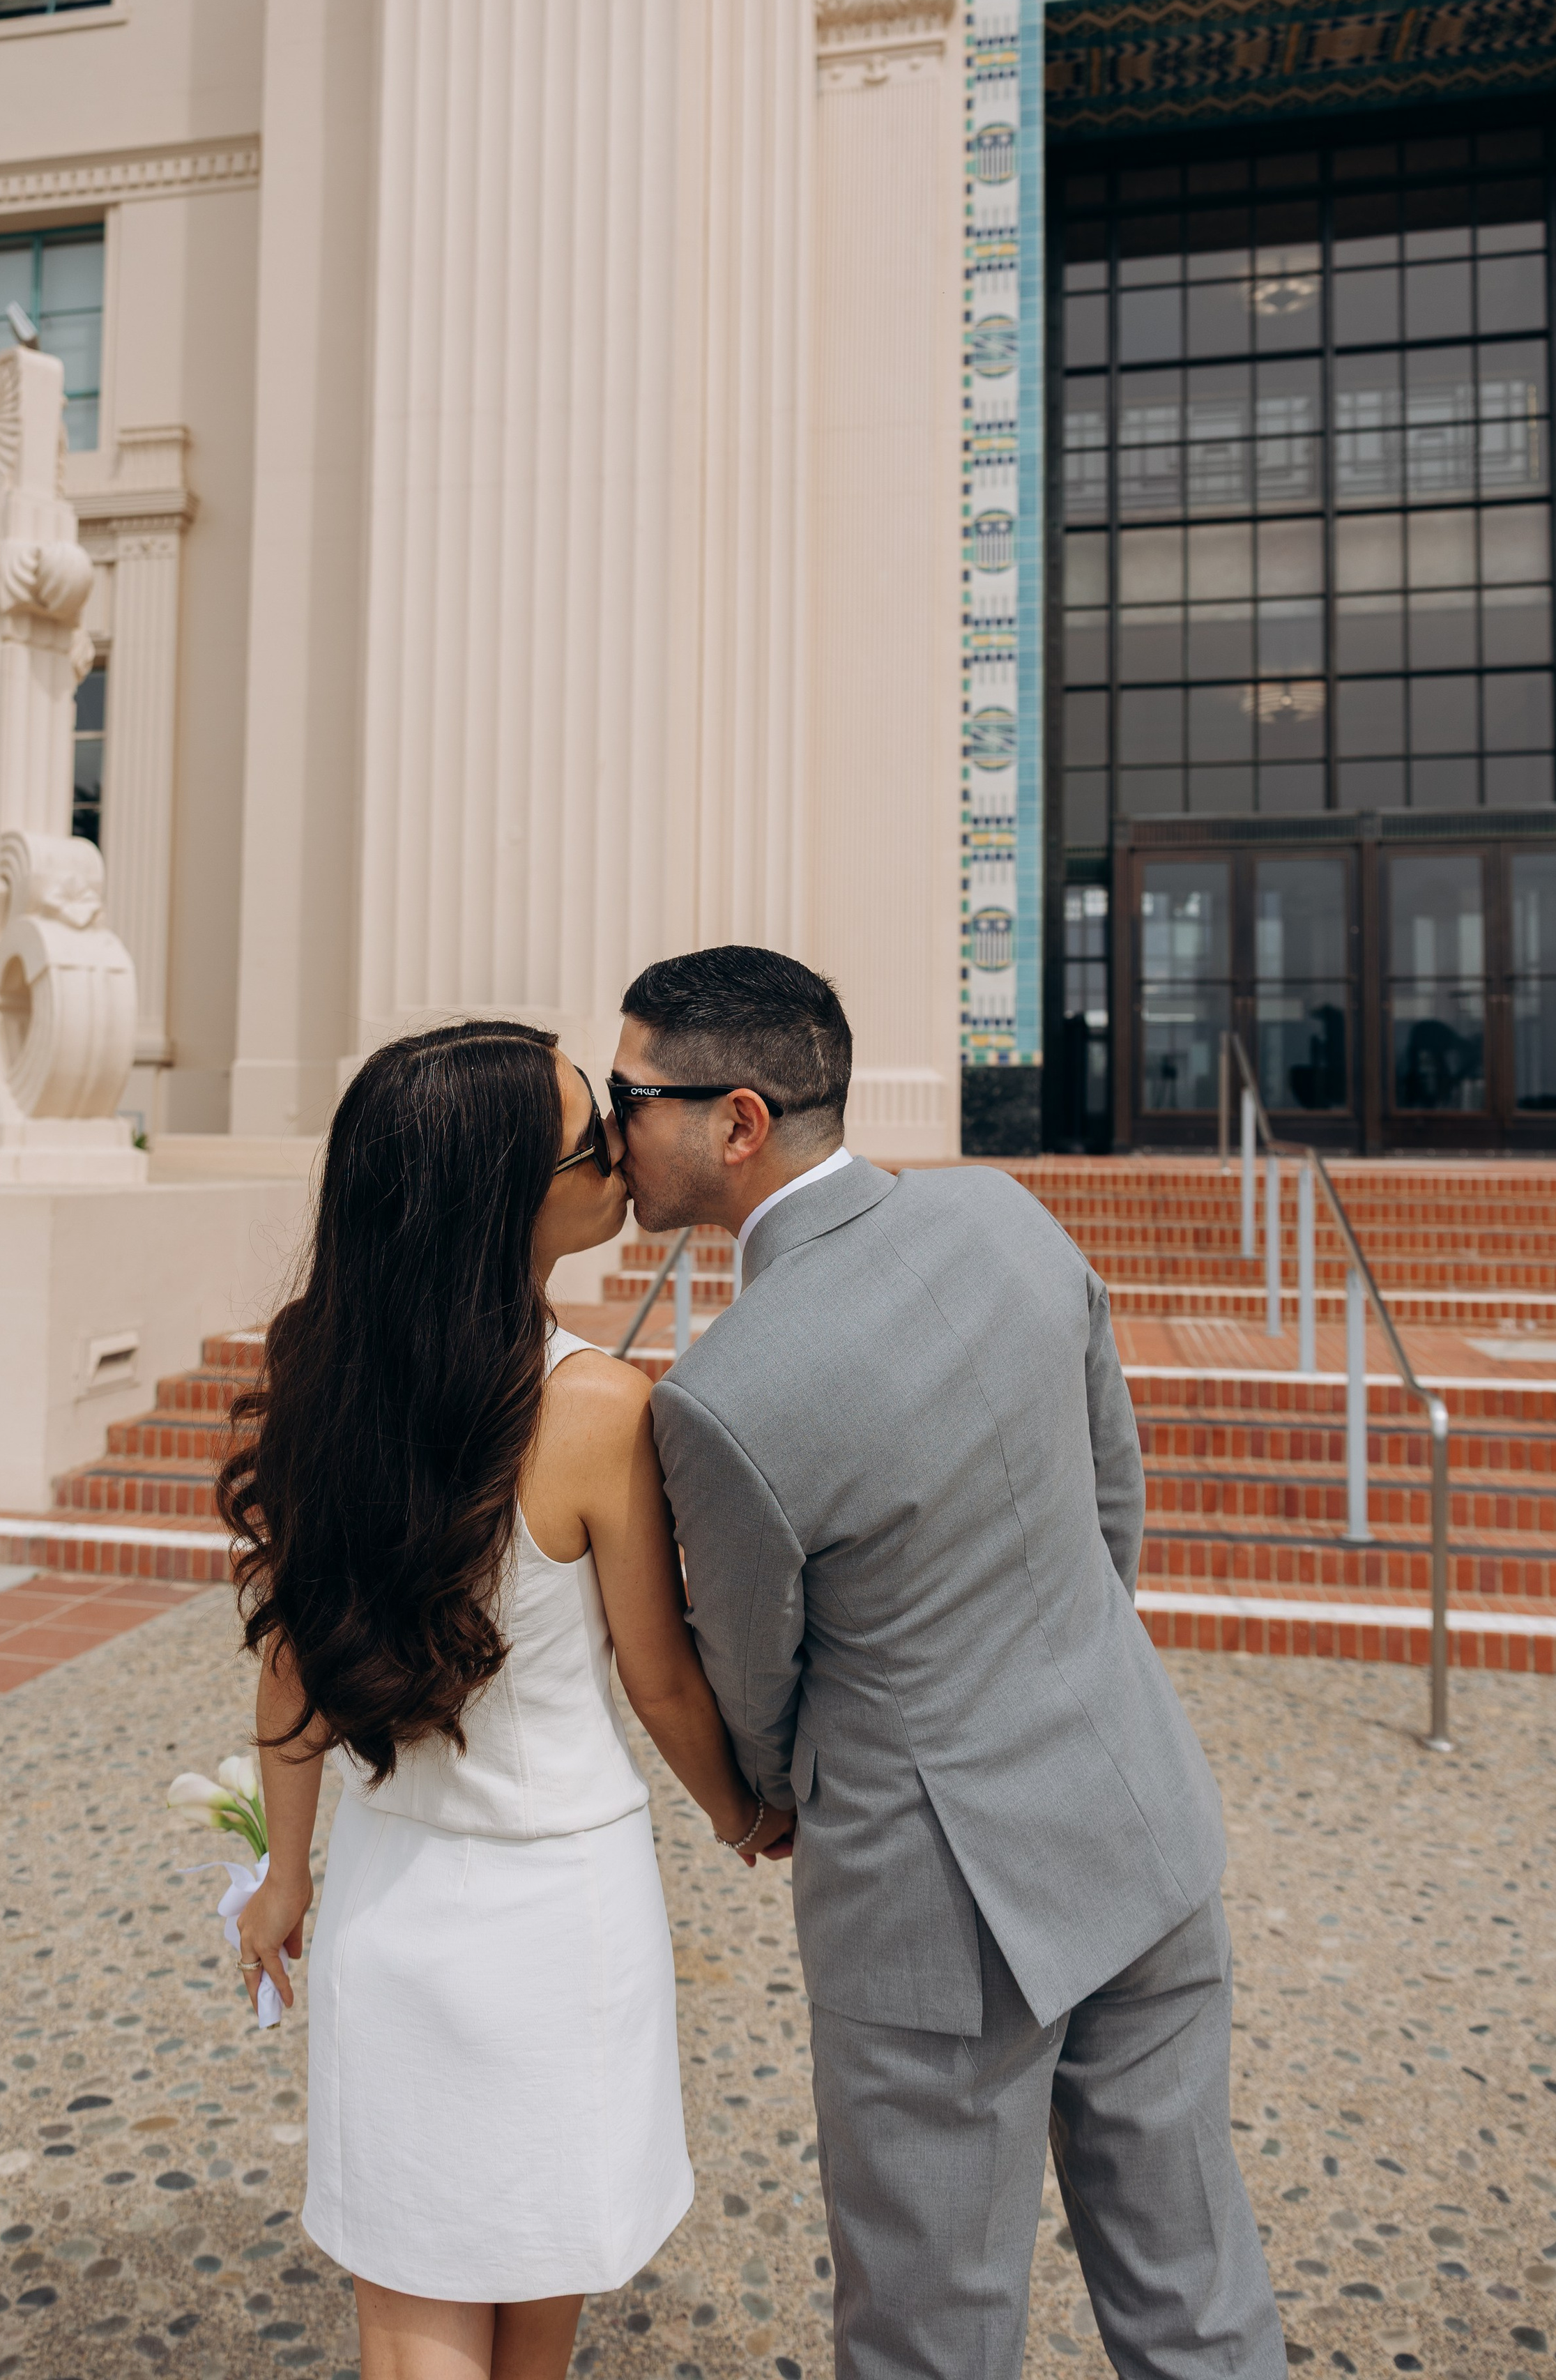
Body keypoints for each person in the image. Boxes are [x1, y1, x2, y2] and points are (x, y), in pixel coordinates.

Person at [611, 946, 1286, 2380]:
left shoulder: (722, 1397)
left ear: (734, 1121)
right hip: (1132, 1799)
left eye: (628, 1096)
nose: (613, 1129)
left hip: (933, 1900)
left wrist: (771, 1802)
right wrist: (1067, 1676)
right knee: (1191, 2275)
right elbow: (1113, 1499)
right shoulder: (1006, 1217)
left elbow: (752, 1680)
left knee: (928, 2324)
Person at [219, 1021, 791, 2380]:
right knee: (534, 2301)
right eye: (588, 1139)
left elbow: (291, 1660)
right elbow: (657, 1678)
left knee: (408, 2300)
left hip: (386, 1897)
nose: (615, 1153)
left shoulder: (321, 1383)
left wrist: (283, 1875)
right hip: (557, 1914)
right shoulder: (597, 1408)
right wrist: (740, 1812)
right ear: (505, 1200)